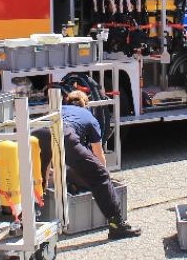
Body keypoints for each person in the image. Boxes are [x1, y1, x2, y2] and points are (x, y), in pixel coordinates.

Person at [55, 90, 140, 240]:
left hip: (43, 135)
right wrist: (105, 175)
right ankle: (117, 225)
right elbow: (98, 152)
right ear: (85, 104)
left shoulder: (60, 109)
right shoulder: (89, 117)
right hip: (66, 139)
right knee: (100, 176)